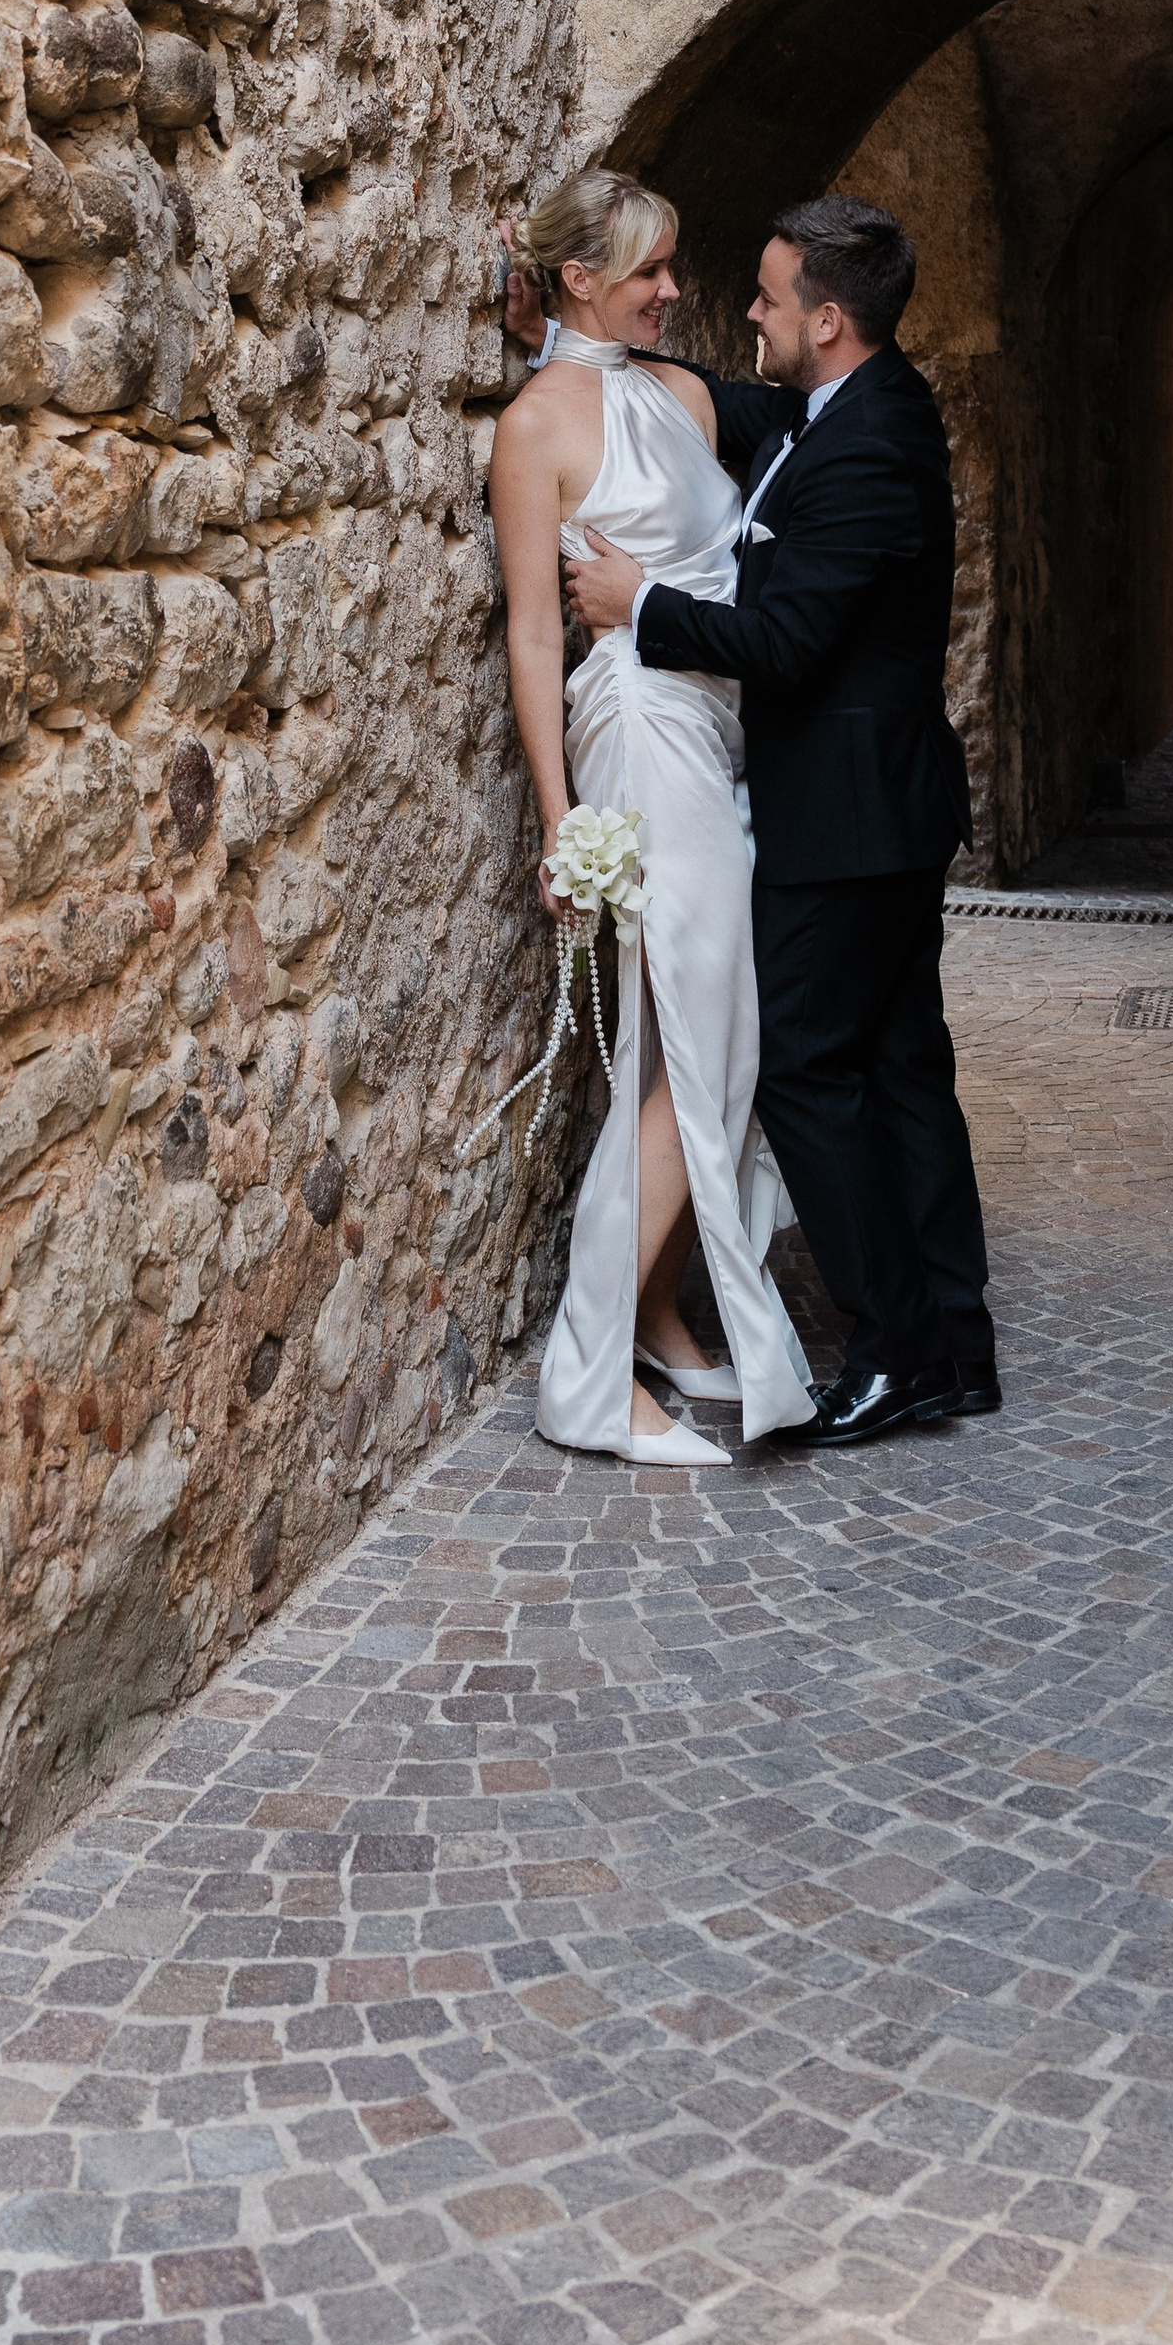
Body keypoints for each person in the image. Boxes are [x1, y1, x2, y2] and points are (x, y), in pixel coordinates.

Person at [563, 195, 999, 1448]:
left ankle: (894, 1345)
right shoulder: (838, 409)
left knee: (808, 1069)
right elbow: (728, 407)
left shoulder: (871, 445)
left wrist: (640, 603)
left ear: (826, 318)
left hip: (847, 819)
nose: (742, 313)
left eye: (764, 298)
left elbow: (789, 643)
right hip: (878, 809)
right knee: (906, 1070)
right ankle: (951, 1345)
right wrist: (604, 344)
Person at [486, 170, 818, 1467]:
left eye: (675, 267)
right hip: (636, 730)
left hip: (718, 729)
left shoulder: (679, 395)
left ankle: (666, 1321)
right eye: (650, 272)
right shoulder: (536, 427)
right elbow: (528, 632)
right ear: (578, 280)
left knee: (717, 1046)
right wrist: (559, 822)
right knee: (693, 1049)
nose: (676, 290)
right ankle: (589, 1381)